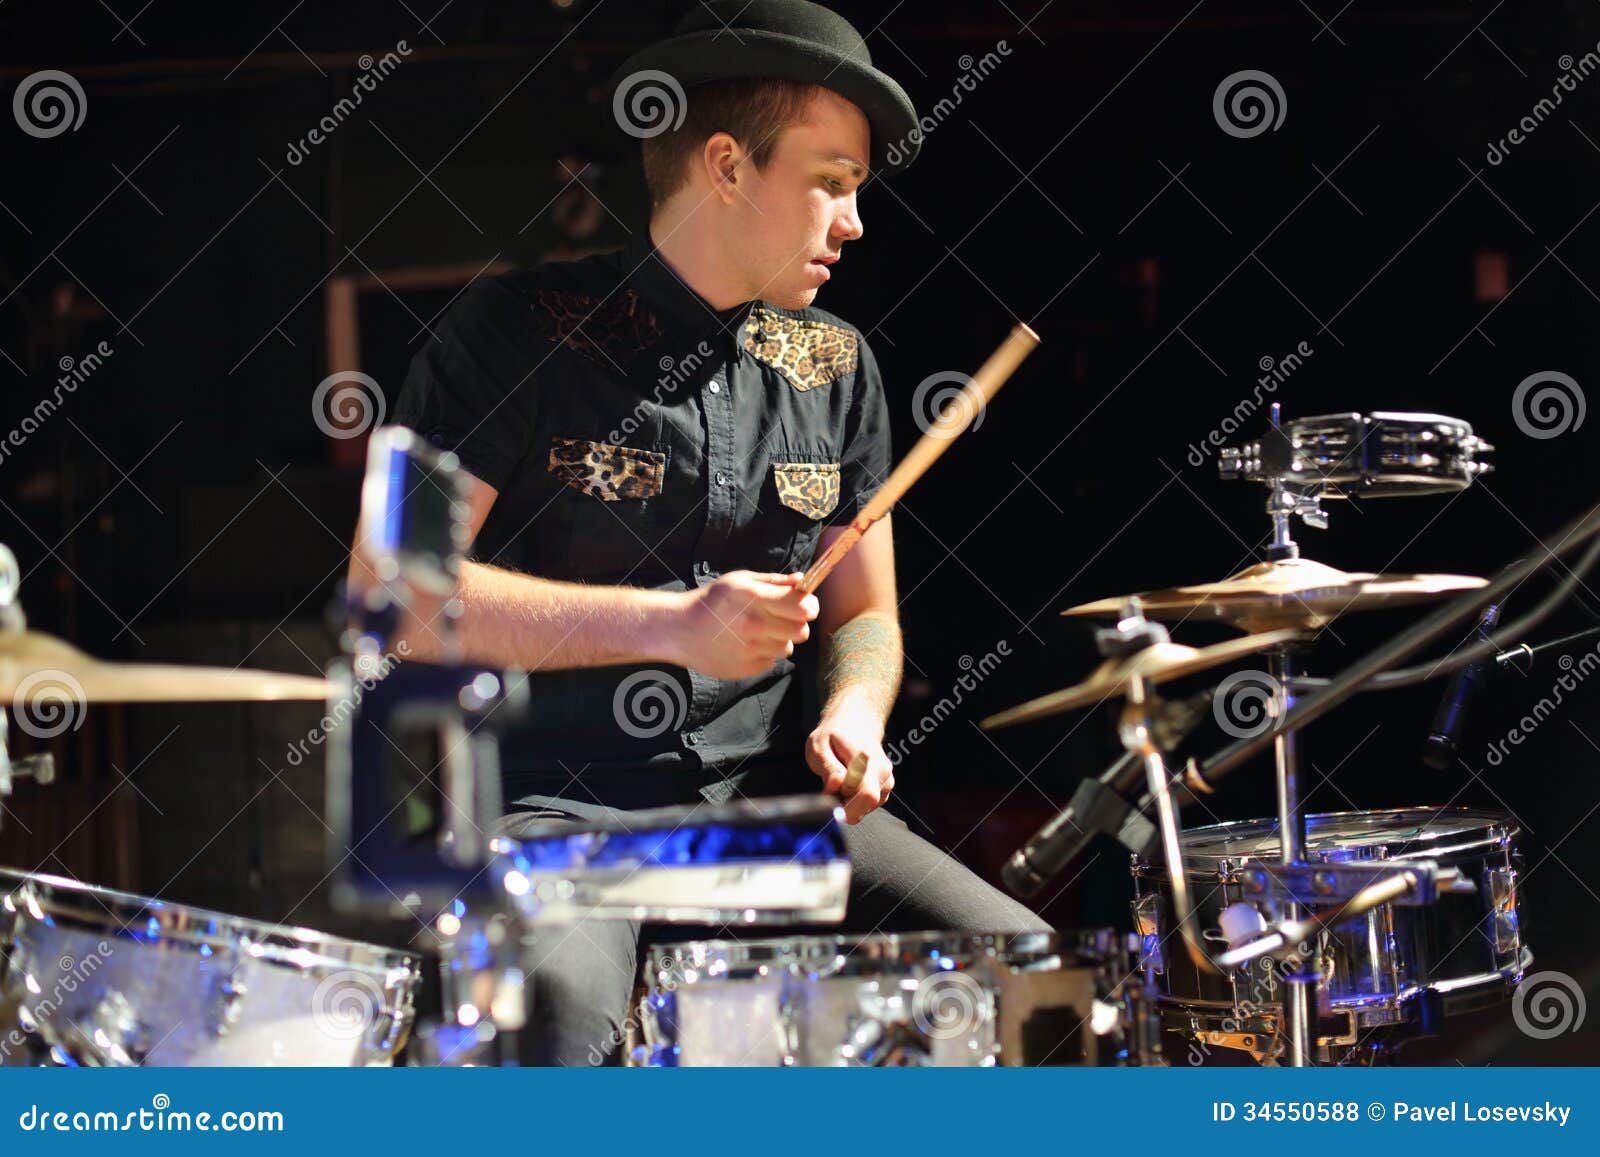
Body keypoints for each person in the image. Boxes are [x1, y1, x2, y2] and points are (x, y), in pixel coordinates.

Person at [371, 0, 1048, 1065]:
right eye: (830, 181)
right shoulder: (505, 330)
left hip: (769, 802)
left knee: (1026, 978)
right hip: (562, 813)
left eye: (857, 189)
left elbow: (866, 615)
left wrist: (856, 714)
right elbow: (396, 598)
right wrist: (676, 623)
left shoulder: (841, 364)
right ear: (726, 164)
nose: (853, 221)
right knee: (549, 1018)